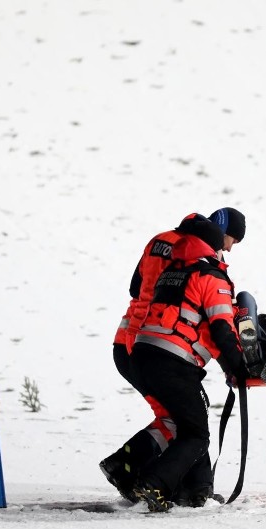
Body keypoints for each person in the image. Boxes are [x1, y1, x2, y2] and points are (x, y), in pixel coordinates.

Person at [100, 209, 246, 505]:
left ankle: (142, 474)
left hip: (137, 342)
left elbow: (135, 288)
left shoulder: (162, 248)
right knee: (188, 425)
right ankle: (164, 485)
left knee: (177, 418)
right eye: (228, 241)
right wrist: (238, 365)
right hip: (168, 352)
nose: (228, 249)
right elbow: (218, 327)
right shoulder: (208, 275)